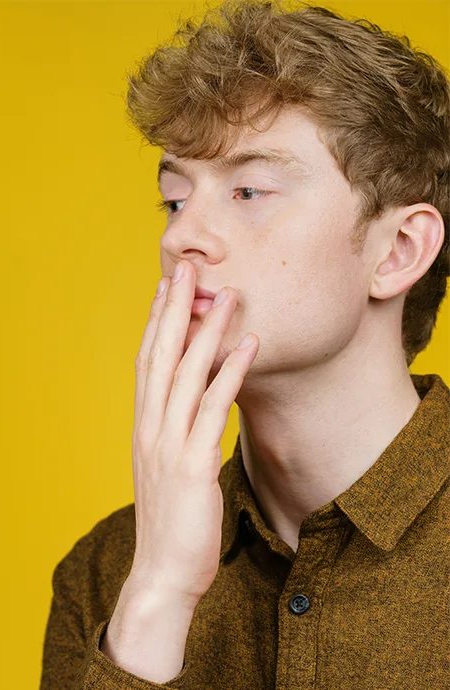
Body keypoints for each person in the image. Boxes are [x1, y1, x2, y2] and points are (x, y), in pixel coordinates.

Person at [39, 0, 450, 687]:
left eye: (249, 191)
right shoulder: (106, 573)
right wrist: (157, 596)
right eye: (175, 200)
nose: (181, 237)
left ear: (399, 250)